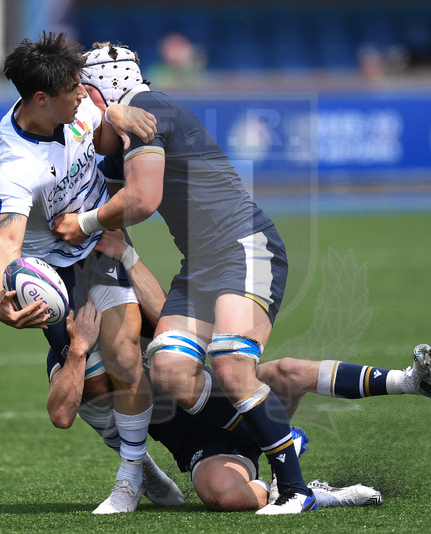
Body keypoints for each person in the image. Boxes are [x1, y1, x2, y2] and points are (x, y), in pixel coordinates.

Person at [51, 42, 316, 514]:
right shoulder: (72, 318)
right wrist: (76, 347)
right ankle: (285, 463)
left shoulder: (147, 110)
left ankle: (296, 485)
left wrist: (86, 224)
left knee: (233, 364)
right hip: (201, 267)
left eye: (84, 100)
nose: (79, 121)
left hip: (238, 248)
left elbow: (143, 201)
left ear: (104, 92)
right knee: (172, 370)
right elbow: (61, 413)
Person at [51, 229, 431, 512]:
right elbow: (61, 414)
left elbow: (163, 313)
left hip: (225, 401)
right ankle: (303, 488)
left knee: (286, 372)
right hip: (197, 446)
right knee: (226, 498)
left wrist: (127, 256)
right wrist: (79, 349)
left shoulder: (125, 312)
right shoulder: (67, 349)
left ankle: (408, 380)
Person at [0, 32, 175, 514]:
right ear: (41, 99)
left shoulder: (78, 106)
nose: (84, 94)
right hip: (55, 272)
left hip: (99, 248)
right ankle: (141, 462)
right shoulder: (15, 163)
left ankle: (130, 479)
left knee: (132, 355)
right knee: (90, 390)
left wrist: (115, 113)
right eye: (75, 89)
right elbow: (7, 239)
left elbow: (103, 110)